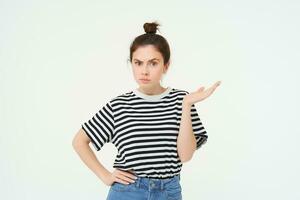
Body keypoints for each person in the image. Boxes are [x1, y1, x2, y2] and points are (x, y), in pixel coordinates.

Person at [72, 21, 221, 200]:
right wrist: (105, 175)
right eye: (138, 63)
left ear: (166, 65)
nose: (144, 70)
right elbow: (79, 141)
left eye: (153, 63)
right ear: (132, 64)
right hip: (128, 192)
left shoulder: (181, 100)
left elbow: (185, 155)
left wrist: (187, 105)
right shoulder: (119, 105)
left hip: (168, 192)